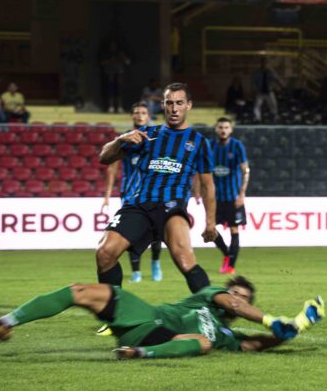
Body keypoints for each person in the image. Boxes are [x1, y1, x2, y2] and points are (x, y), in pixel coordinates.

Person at [0, 277, 324, 359]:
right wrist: (272, 320)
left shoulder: (227, 336)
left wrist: (291, 330)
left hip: (159, 341)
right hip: (145, 316)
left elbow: (257, 345)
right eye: (234, 294)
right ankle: (6, 323)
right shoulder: (208, 294)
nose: (236, 300)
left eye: (243, 298)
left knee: (204, 343)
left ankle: (137, 354)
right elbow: (233, 306)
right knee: (81, 290)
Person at [97, 83, 218, 294]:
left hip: (172, 207)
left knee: (185, 260)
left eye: (179, 103)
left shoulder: (199, 142)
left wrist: (210, 223)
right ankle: (113, 315)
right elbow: (104, 158)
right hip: (139, 204)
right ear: (162, 105)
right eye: (169, 103)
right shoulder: (145, 133)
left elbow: (208, 186)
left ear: (188, 105)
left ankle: (211, 314)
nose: (174, 108)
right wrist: (120, 140)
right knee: (104, 253)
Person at [102, 103, 164, 284]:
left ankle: (155, 262)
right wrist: (107, 195)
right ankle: (136, 272)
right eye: (136, 112)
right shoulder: (125, 139)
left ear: (148, 116)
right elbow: (112, 168)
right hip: (129, 193)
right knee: (129, 234)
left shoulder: (156, 138)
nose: (139, 115)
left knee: (156, 232)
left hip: (151, 192)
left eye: (143, 112)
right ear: (132, 116)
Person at [210, 117, 250, 274]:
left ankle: (231, 265)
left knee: (234, 229)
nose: (223, 130)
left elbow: (245, 170)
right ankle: (227, 254)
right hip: (215, 198)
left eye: (226, 127)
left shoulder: (237, 146)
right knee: (211, 229)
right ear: (216, 129)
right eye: (220, 127)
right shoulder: (210, 146)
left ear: (231, 130)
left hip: (233, 197)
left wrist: (242, 193)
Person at [252, 58, 284, 123]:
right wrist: (253, 90)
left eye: (265, 63)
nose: (264, 65)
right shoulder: (257, 72)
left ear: (267, 64)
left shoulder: (271, 72)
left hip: (269, 91)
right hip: (260, 91)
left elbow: (277, 79)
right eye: (263, 63)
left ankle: (275, 117)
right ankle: (257, 118)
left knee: (273, 105)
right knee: (257, 106)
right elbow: (254, 82)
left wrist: (282, 86)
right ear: (261, 64)